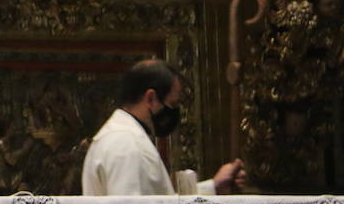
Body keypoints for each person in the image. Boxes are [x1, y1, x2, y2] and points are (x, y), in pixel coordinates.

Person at [82, 58, 246, 196]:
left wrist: (213, 187)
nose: (174, 111)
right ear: (151, 98)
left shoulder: (120, 136)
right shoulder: (127, 145)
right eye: (172, 103)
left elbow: (157, 203)